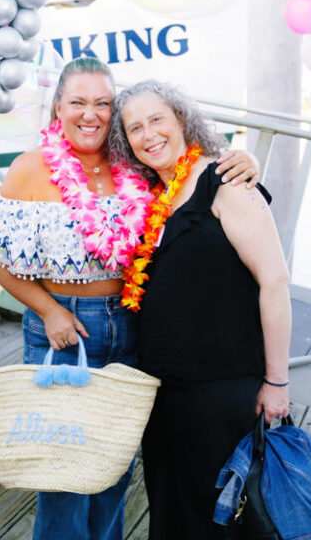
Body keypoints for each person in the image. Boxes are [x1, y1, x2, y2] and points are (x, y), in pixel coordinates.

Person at [0, 57, 260, 540]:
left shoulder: (135, 166)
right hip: (61, 329)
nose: (91, 115)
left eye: (103, 103)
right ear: (57, 106)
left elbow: (190, 168)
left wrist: (242, 162)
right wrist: (49, 310)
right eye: (78, 102)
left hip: (130, 324)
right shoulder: (29, 170)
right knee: (61, 474)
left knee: (112, 467)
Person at [107, 79, 291, 540]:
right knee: (174, 515)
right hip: (165, 396)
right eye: (134, 129)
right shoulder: (151, 200)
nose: (148, 135)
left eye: (156, 120)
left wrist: (277, 382)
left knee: (229, 520)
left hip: (224, 392)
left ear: (182, 120)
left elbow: (275, 282)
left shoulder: (225, 180)